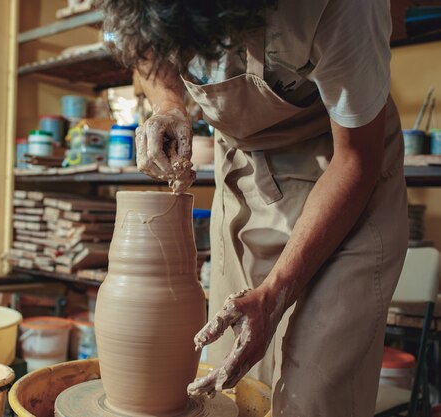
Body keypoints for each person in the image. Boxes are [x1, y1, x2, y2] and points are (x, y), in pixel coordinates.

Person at [99, 1, 409, 415]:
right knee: (233, 386)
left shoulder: (344, 7)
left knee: (314, 395)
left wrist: (276, 293)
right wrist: (169, 102)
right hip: (245, 167)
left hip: (342, 171)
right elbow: (148, 48)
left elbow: (355, 159)